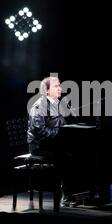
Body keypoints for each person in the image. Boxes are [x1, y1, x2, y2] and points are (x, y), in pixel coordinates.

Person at [27, 76, 77, 207]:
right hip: (39, 146)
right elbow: (39, 131)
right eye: (56, 86)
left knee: (75, 152)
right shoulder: (39, 106)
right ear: (47, 90)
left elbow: (62, 125)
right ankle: (65, 196)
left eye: (60, 85)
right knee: (65, 157)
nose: (60, 88)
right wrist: (58, 134)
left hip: (53, 144)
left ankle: (75, 192)